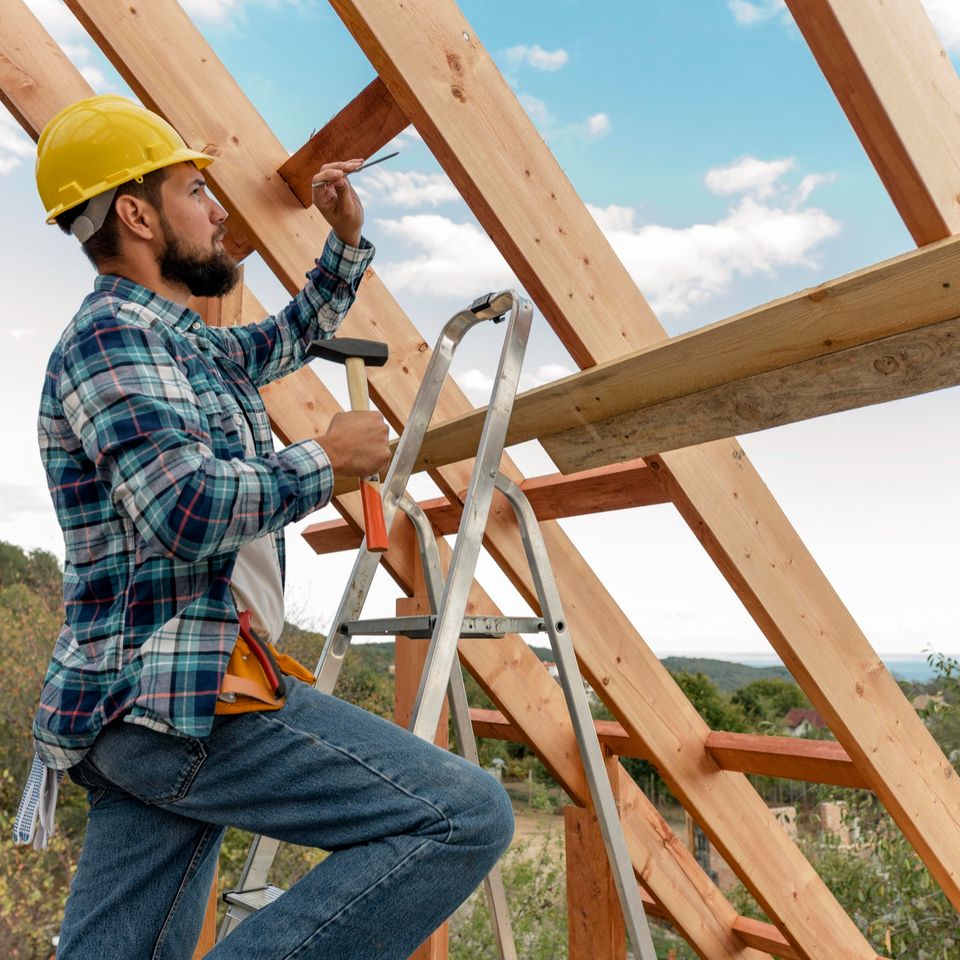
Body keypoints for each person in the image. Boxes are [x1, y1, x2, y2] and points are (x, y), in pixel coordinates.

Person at [14, 95, 513, 960]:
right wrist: (326, 459)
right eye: (195, 190)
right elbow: (185, 509)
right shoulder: (111, 342)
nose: (218, 211)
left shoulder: (180, 343)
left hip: (143, 710)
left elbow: (285, 339)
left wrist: (344, 240)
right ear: (137, 214)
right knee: (460, 816)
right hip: (178, 693)